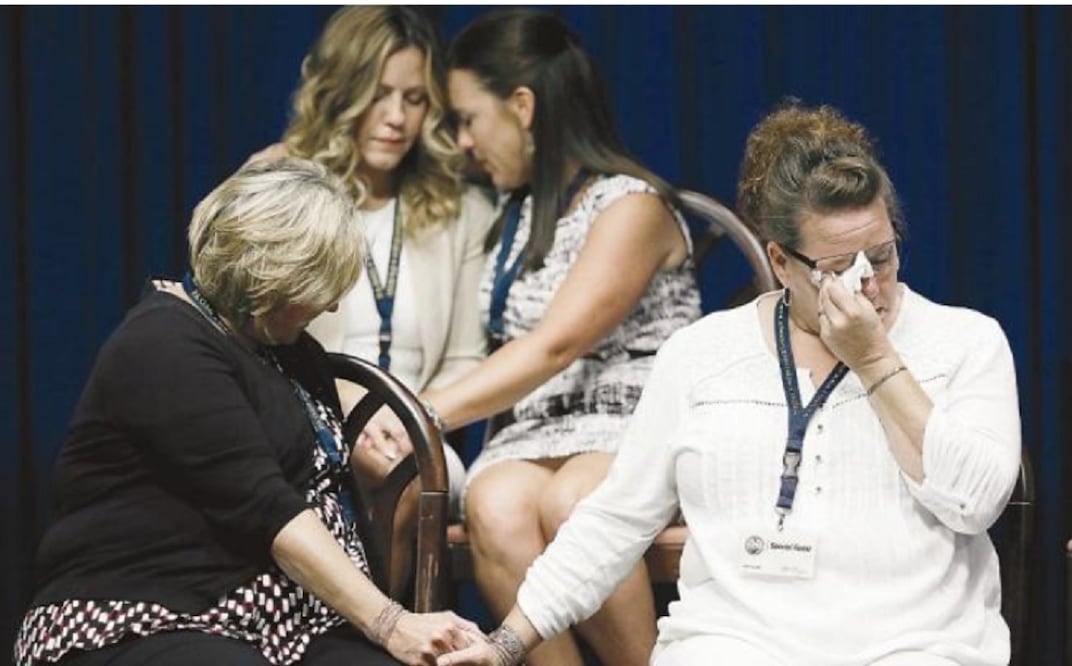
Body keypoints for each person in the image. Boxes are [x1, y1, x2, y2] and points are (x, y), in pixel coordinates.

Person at [436, 103, 1022, 666]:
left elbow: (977, 502)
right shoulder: (702, 355)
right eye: (839, 270)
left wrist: (876, 362)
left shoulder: (966, 342)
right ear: (782, 261)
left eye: (883, 256)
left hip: (913, 644)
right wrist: (507, 642)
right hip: (737, 643)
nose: (869, 285)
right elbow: (615, 519)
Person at [13, 158, 480, 666]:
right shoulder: (163, 344)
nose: (329, 310)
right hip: (150, 610)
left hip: (289, 622)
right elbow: (270, 511)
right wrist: (392, 622)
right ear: (269, 275)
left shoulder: (287, 351)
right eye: (317, 289)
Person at [374, 9, 702, 666]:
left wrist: (423, 414)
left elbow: (554, 346)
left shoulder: (631, 206)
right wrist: (294, 157)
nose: (462, 140)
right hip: (534, 435)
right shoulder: (512, 213)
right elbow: (395, 169)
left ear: (522, 106)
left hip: (629, 429)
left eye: (468, 118)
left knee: (573, 501)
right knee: (494, 503)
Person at [248, 6, 495, 591]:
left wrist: (411, 419)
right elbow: (252, 337)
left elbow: (467, 357)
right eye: (377, 93)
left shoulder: (462, 209)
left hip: (418, 428)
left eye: (413, 99)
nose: (395, 118)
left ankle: (389, 638)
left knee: (409, 474)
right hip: (303, 416)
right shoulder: (281, 183)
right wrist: (347, 421)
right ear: (341, 91)